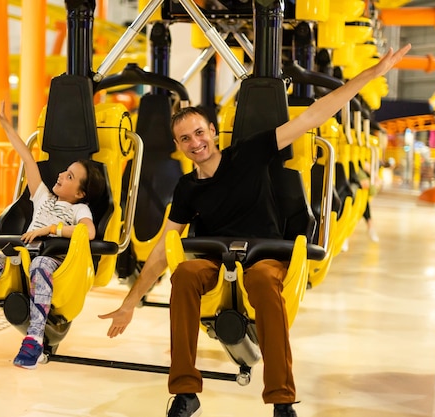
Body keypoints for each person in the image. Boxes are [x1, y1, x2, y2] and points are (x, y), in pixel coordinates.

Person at [99, 44, 412, 417]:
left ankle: (281, 399)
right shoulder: (187, 188)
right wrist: (129, 303)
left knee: (263, 282)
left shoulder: (248, 153)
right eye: (185, 139)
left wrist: (370, 76)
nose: (195, 143)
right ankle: (185, 391)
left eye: (199, 133)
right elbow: (163, 248)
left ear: (212, 132)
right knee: (183, 274)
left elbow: (313, 116)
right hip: (216, 259)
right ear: (178, 146)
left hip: (265, 256)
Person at [0, 102, 106, 369]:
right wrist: (6, 126)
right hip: (22, 256)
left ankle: (34, 338)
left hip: (53, 260)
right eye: (64, 171)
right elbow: (27, 158)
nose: (60, 175)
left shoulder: (79, 208)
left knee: (41, 264)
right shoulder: (43, 195)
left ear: (80, 192)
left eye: (69, 176)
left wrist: (50, 230)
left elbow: (88, 232)